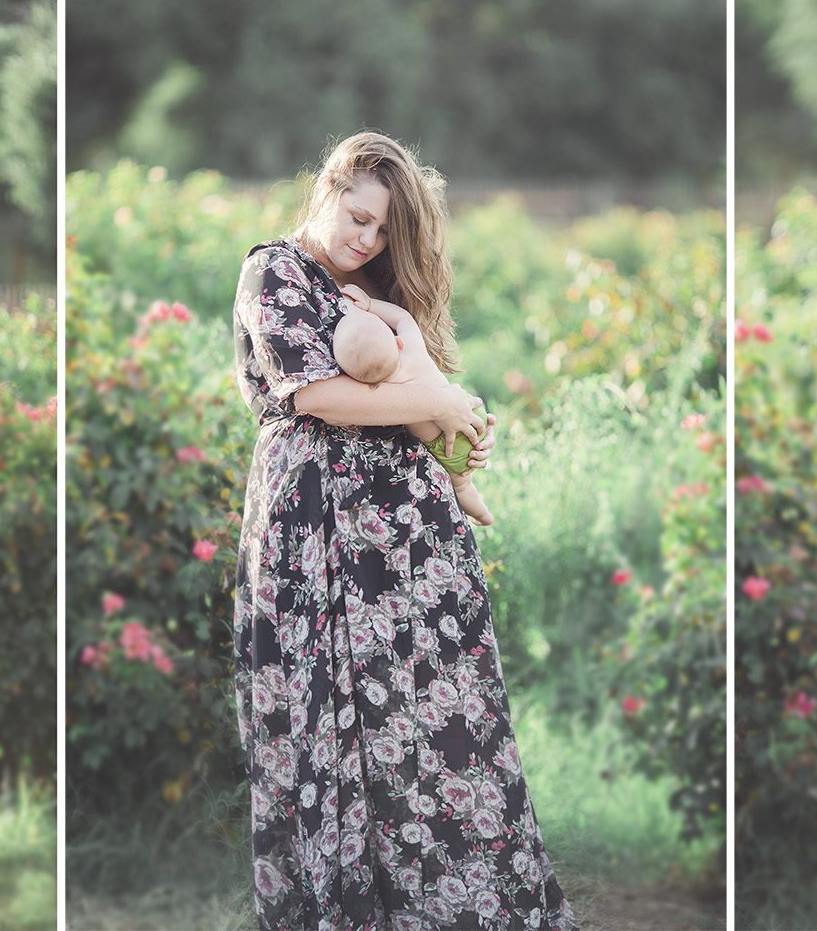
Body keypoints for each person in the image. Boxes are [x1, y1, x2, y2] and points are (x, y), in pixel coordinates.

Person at [232, 131, 576, 929]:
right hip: (313, 531)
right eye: (357, 216)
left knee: (441, 714)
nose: (366, 238)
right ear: (327, 186)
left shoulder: (371, 289)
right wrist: (438, 407)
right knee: (324, 722)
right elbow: (314, 396)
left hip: (407, 543)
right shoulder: (274, 271)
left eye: (383, 230)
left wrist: (455, 430)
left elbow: (417, 383)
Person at [331, 281, 495, 525]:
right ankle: (485, 510)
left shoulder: (385, 392)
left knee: (461, 485)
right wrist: (369, 305)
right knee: (467, 471)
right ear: (397, 343)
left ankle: (482, 515)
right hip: (468, 411)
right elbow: (403, 319)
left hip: (443, 446)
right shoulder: (412, 349)